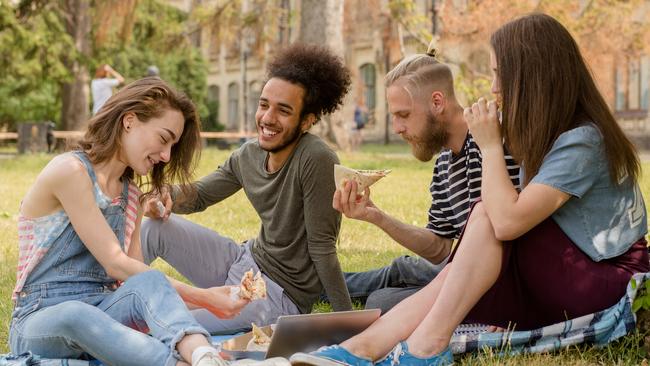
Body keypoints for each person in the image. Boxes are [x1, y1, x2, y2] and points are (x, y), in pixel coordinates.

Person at [293, 13, 649, 366]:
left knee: (478, 220)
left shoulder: (580, 141)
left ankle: (420, 346)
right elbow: (449, 245)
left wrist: (491, 145)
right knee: (406, 284)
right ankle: (368, 347)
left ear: (531, 76)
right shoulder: (529, 141)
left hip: (605, 281)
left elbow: (506, 224)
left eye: (498, 74)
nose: (493, 87)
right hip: (529, 267)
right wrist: (377, 216)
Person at [9, 77, 248, 366]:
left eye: (172, 146)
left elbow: (137, 281)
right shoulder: (70, 171)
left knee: (147, 280)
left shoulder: (130, 194)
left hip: (104, 312)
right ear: (130, 121)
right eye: (163, 139)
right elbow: (115, 263)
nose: (166, 155)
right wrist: (206, 298)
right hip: (41, 319)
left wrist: (196, 300)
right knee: (77, 314)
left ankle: (204, 355)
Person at [140, 43, 353, 333]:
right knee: (155, 229)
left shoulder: (316, 159)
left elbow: (322, 248)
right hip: (243, 260)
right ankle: (99, 293)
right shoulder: (249, 155)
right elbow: (201, 194)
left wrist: (348, 323)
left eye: (283, 111)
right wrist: (164, 196)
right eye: (264, 105)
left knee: (166, 324)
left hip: (278, 295)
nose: (267, 118)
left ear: (307, 121)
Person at [338, 47, 520, 314]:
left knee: (382, 302)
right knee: (404, 270)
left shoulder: (495, 135)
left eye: (404, 115)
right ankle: (315, 285)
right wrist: (376, 216)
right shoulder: (444, 161)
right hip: (464, 269)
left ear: (437, 102)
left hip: (499, 279)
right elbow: (439, 247)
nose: (397, 128)